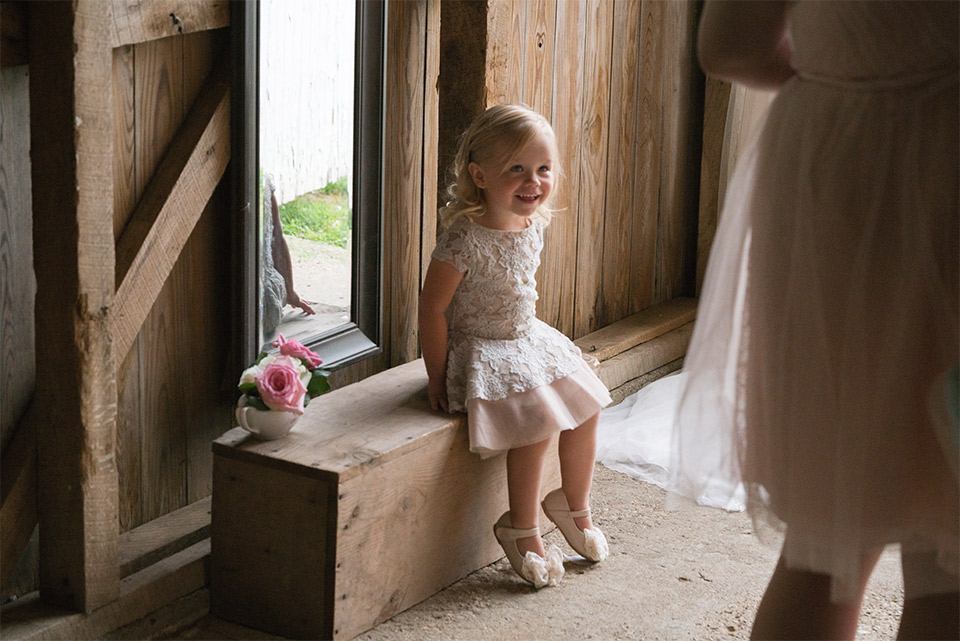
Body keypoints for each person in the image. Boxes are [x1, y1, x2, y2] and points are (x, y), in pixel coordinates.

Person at [670, 2, 959, 639]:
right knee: (951, 561)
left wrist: (857, 74)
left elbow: (731, 46)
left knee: (825, 541)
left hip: (843, 165)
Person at [419, 104, 613, 588]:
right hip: (483, 347)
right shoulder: (464, 238)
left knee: (589, 403)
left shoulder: (534, 223)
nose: (534, 182)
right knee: (537, 421)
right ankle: (521, 528)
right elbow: (431, 309)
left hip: (527, 336)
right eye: (517, 170)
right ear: (479, 175)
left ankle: (573, 503)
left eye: (543, 168)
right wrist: (436, 375)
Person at [261, 173, 315, 337]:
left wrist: (290, 292)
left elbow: (276, 234)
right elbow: (276, 234)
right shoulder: (263, 180)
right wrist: (289, 291)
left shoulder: (263, 181)